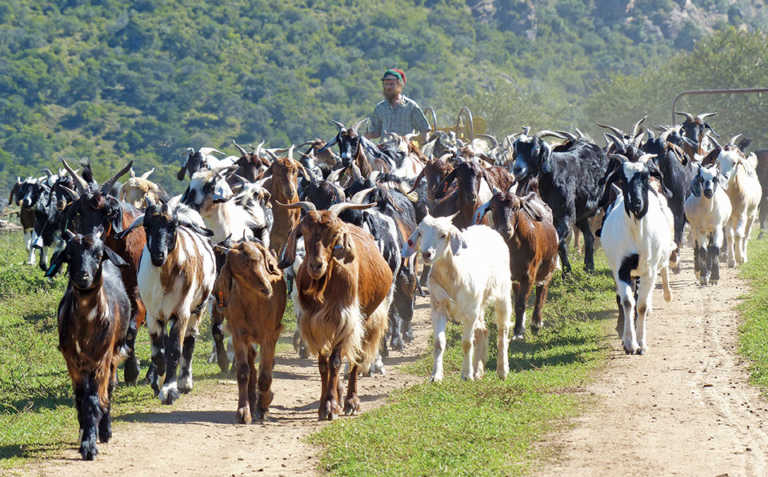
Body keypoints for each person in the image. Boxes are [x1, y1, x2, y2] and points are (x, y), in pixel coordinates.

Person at [366, 68, 431, 143]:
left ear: (399, 85)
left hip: (405, 150)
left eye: (392, 84)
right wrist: (360, 137)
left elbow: (425, 130)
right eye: (386, 84)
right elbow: (376, 132)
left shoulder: (410, 106)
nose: (388, 87)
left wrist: (413, 139)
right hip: (385, 150)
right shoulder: (380, 108)